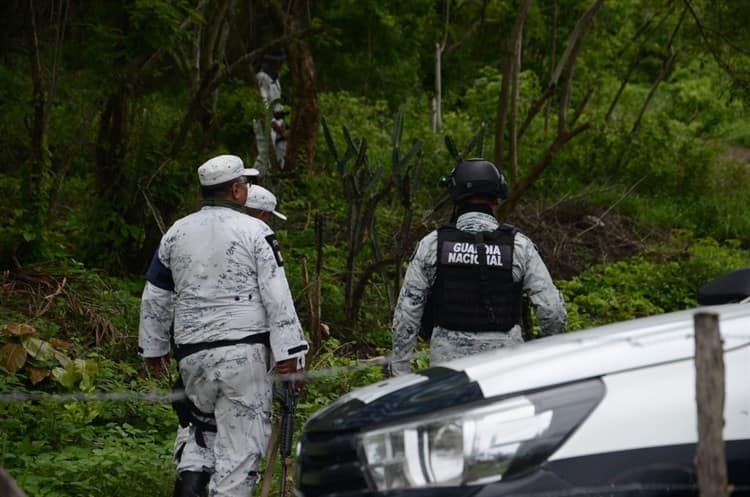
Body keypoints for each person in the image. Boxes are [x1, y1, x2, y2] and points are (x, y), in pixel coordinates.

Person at [138, 154, 308, 497]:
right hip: (242, 356)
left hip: (192, 358)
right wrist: (290, 353)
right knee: (240, 450)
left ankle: (189, 487)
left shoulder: (176, 232)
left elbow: (155, 294)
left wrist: (153, 348)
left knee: (200, 431)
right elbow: (277, 294)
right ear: (235, 190)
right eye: (244, 185)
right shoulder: (256, 230)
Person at [390, 158, 567, 376]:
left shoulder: (432, 245)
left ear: (455, 198)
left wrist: (401, 373)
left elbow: (406, 315)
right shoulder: (520, 246)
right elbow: (552, 311)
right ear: (496, 199)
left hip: (447, 372)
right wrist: (540, 351)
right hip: (508, 370)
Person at [253, 50, 289, 173]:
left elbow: (278, 104)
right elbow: (263, 105)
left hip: (278, 121)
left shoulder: (276, 78)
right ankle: (253, 181)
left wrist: (282, 124)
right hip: (266, 121)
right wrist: (273, 124)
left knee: (281, 153)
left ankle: (275, 185)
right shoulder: (262, 77)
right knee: (265, 156)